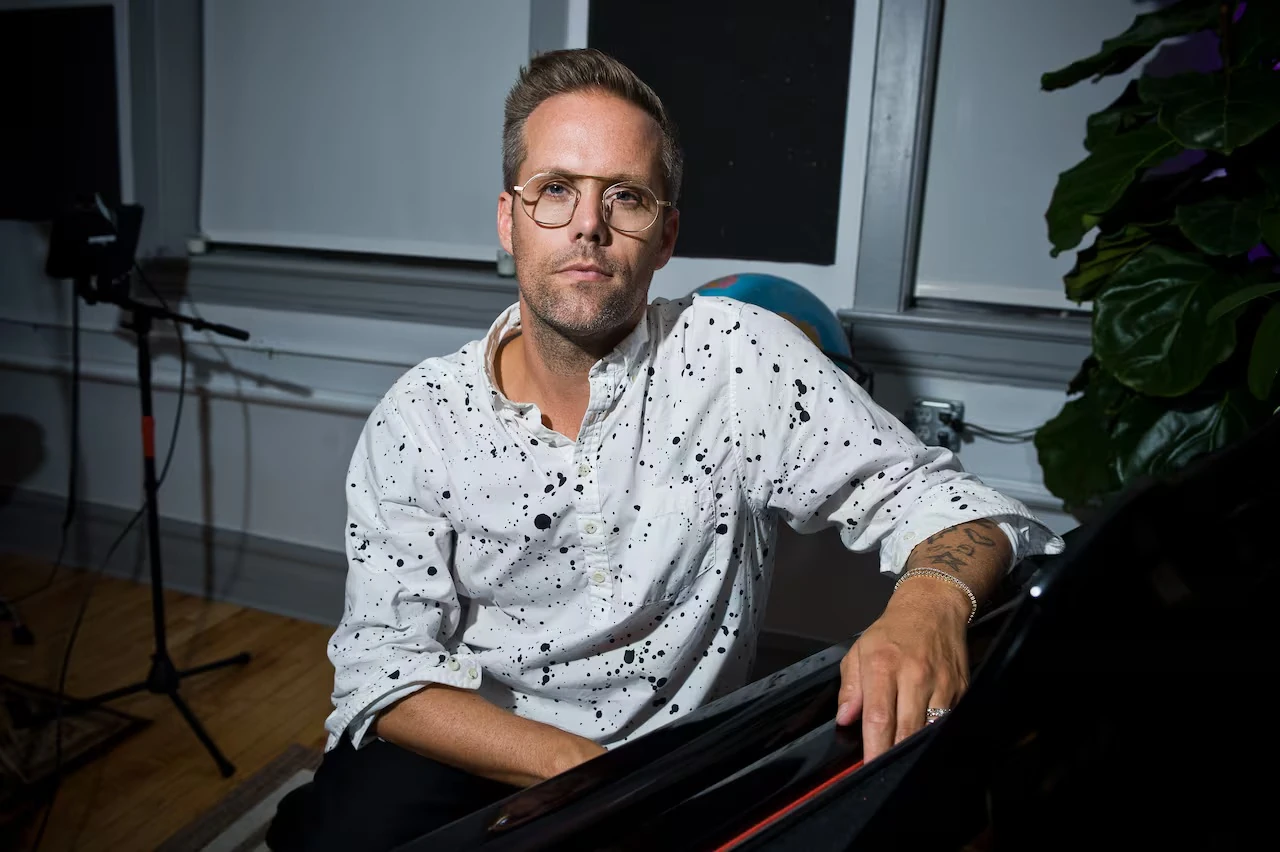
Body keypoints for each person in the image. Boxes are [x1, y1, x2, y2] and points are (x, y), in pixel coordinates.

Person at [267, 48, 1064, 851]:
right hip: (474, 735)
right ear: (509, 220)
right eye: (555, 190)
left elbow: (960, 507)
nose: (589, 224)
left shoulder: (738, 358)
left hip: (675, 760)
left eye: (626, 196)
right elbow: (384, 666)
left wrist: (927, 607)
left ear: (666, 235)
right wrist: (580, 773)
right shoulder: (421, 416)